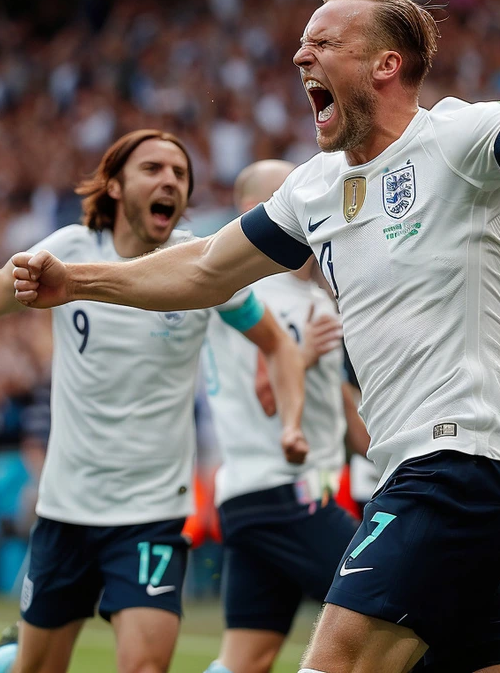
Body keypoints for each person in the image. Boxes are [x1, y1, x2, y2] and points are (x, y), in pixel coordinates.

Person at [7, 0, 500, 673]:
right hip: (418, 473)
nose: (302, 53)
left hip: (458, 468)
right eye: (304, 42)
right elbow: (203, 269)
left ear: (386, 65)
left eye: (325, 42)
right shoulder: (315, 187)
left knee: (332, 664)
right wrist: (78, 279)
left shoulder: (459, 141)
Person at [0, 129, 307, 673]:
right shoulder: (69, 250)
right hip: (66, 507)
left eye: (180, 173)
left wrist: (291, 418)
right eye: (153, 168)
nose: (170, 179)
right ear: (116, 186)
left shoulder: (198, 265)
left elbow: (278, 344)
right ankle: (6, 661)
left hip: (153, 512)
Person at [202, 159, 371, 673]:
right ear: (257, 211)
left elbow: (336, 402)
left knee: (246, 658)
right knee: (386, 612)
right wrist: (302, 356)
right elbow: (268, 394)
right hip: (288, 490)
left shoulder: (289, 294)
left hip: (254, 492)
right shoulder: (267, 294)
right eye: (291, 194)